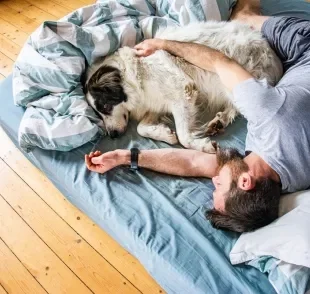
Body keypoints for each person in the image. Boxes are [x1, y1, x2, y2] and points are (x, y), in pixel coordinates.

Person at [85, 0, 310, 232]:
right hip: (304, 48)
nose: (213, 181)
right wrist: (162, 44)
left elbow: (195, 162)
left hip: (293, 88)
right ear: (245, 181)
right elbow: (219, 60)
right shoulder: (266, 112)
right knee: (243, 19)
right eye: (218, 186)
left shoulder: (288, 181)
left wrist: (125, 157)